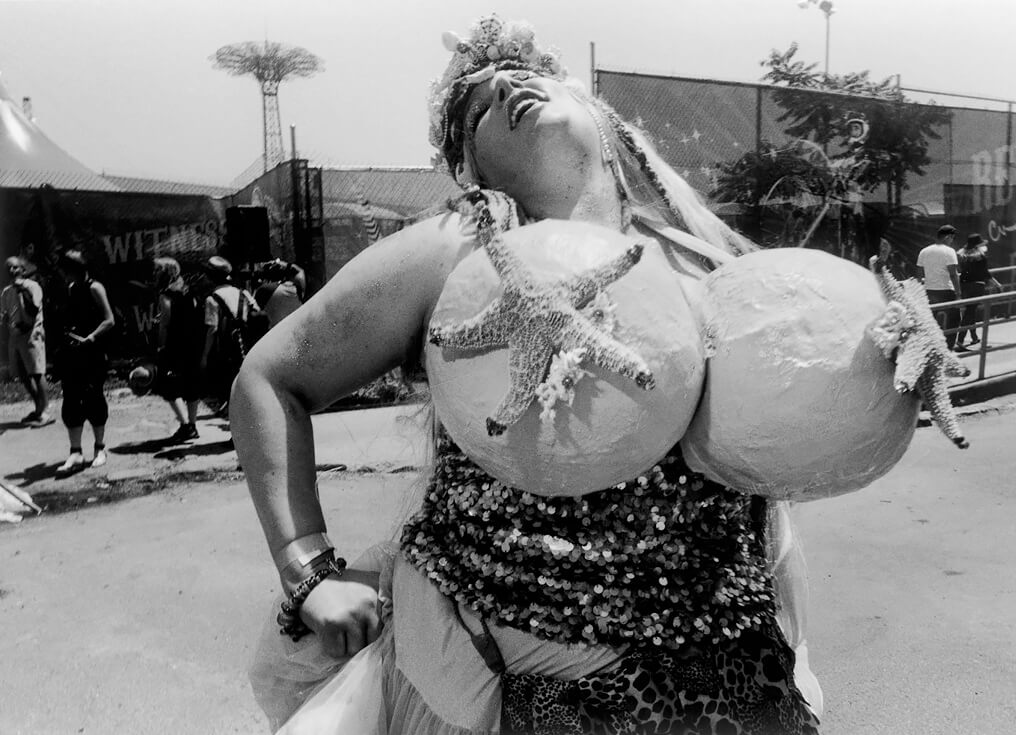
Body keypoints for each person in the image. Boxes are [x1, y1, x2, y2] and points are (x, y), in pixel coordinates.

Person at [235, 15, 819, 735]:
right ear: (472, 168)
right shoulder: (466, 247)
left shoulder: (702, 262)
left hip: (726, 684)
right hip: (505, 687)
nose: (508, 85)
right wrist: (309, 572)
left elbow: (790, 431)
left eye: (529, 73)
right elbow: (268, 377)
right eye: (476, 108)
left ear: (598, 116)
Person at [54, 250, 115, 475]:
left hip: (93, 354)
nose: (65, 275)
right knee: (71, 400)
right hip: (73, 354)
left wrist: (91, 337)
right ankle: (76, 452)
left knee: (94, 399)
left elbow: (109, 320)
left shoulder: (95, 288)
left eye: (67, 270)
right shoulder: (71, 289)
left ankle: (100, 449)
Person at [152, 257, 206, 443]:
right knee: (192, 385)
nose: (154, 274)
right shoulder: (190, 290)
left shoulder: (166, 294)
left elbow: (165, 323)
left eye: (157, 270)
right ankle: (192, 424)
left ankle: (185, 425)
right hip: (194, 343)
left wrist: (161, 346)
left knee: (168, 384)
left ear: (165, 273)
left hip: (175, 345)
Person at [1, 256, 53, 427]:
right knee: (22, 374)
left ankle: (45, 412)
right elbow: (5, 315)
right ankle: (38, 408)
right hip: (15, 337)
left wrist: (20, 288)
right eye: (9, 268)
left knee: (37, 373)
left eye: (15, 267)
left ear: (23, 270)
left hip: (32, 335)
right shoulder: (6, 292)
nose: (12, 271)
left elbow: (33, 309)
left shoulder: (32, 286)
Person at [202, 255, 258, 409]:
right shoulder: (243, 293)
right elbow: (258, 312)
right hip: (246, 342)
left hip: (225, 346)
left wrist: (205, 355)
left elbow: (212, 328)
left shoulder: (212, 298)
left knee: (228, 381)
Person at [916, 224, 964, 351]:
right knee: (954, 319)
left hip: (929, 291)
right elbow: (953, 274)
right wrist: (958, 294)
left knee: (930, 321)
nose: (952, 241)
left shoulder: (924, 251)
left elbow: (919, 275)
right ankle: (948, 348)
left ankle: (930, 347)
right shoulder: (949, 251)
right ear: (948, 237)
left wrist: (920, 292)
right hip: (946, 291)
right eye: (952, 238)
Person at [955, 233, 1002, 348]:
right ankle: (960, 340)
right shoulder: (980, 256)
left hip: (964, 285)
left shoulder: (962, 255)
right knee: (970, 312)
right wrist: (997, 284)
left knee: (970, 311)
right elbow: (986, 273)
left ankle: (974, 337)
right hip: (977, 286)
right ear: (977, 245)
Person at [254, 259, 306, 329]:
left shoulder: (263, 290)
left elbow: (259, 306)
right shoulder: (297, 289)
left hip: (280, 334)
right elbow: (300, 271)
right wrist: (279, 263)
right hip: (300, 328)